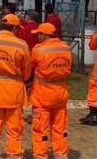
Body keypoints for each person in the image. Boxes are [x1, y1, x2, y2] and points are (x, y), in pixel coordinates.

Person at [0, 14, 32, 159]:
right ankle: (14, 155)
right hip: (14, 92)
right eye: (18, 29)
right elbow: (27, 71)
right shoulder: (21, 45)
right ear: (14, 27)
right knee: (14, 128)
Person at [29, 23, 72, 159]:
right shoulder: (66, 48)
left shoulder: (39, 50)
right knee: (60, 129)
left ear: (45, 35)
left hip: (42, 97)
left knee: (40, 130)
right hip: (60, 96)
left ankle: (41, 155)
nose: (37, 37)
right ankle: (61, 155)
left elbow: (30, 66)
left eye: (38, 34)